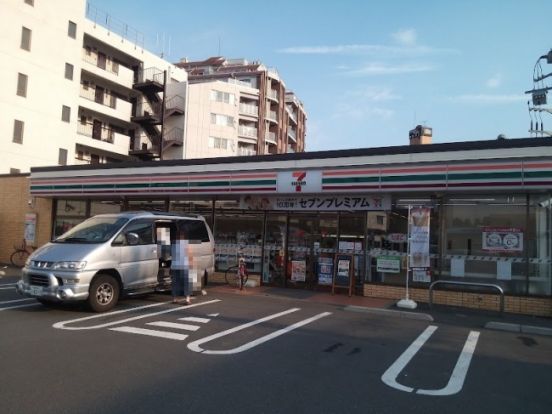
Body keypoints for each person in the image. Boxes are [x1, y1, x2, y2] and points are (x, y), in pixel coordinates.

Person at [170, 230, 192, 305]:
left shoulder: (173, 244)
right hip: (184, 265)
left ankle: (175, 298)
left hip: (175, 266)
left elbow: (171, 255)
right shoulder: (186, 244)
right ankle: (187, 299)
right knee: (185, 283)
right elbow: (189, 255)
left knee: (176, 283)